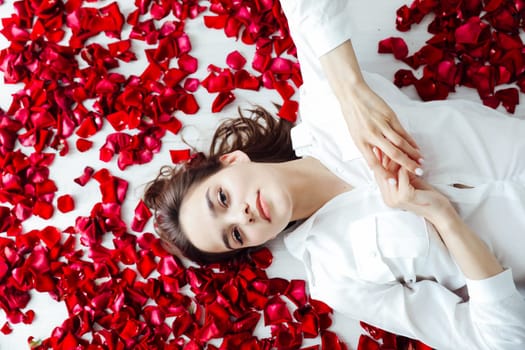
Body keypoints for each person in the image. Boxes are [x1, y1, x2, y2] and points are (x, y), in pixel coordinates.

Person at [144, 0, 525, 348]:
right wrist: (443, 218)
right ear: (254, 244)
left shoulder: (325, 108)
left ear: (233, 161)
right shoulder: (339, 278)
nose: (240, 215)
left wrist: (351, 91)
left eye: (222, 199)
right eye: (235, 235)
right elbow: (500, 340)